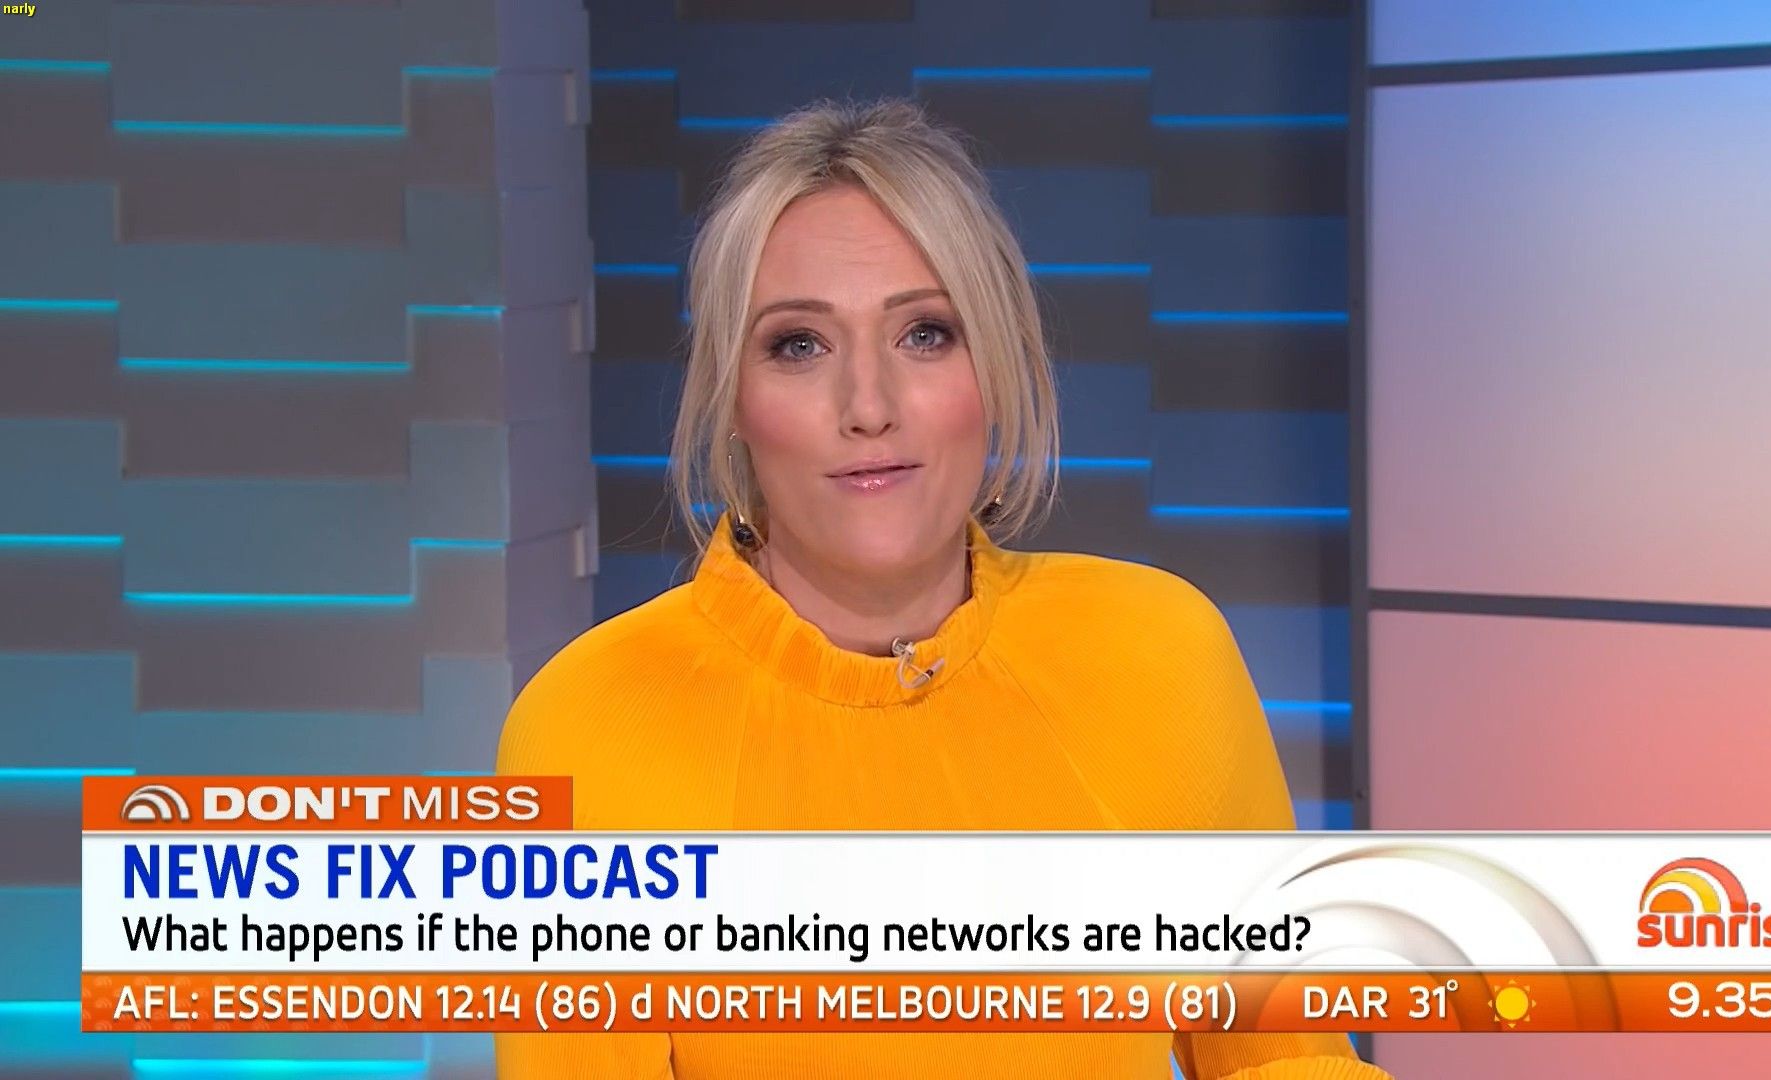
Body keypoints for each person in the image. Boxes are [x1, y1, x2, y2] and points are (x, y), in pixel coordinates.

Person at [495, 96, 1388, 1080]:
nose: (869, 406)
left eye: (925, 333)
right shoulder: (588, 727)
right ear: (733, 400)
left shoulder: (1161, 653)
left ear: (994, 367)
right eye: (799, 344)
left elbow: (1285, 1061)